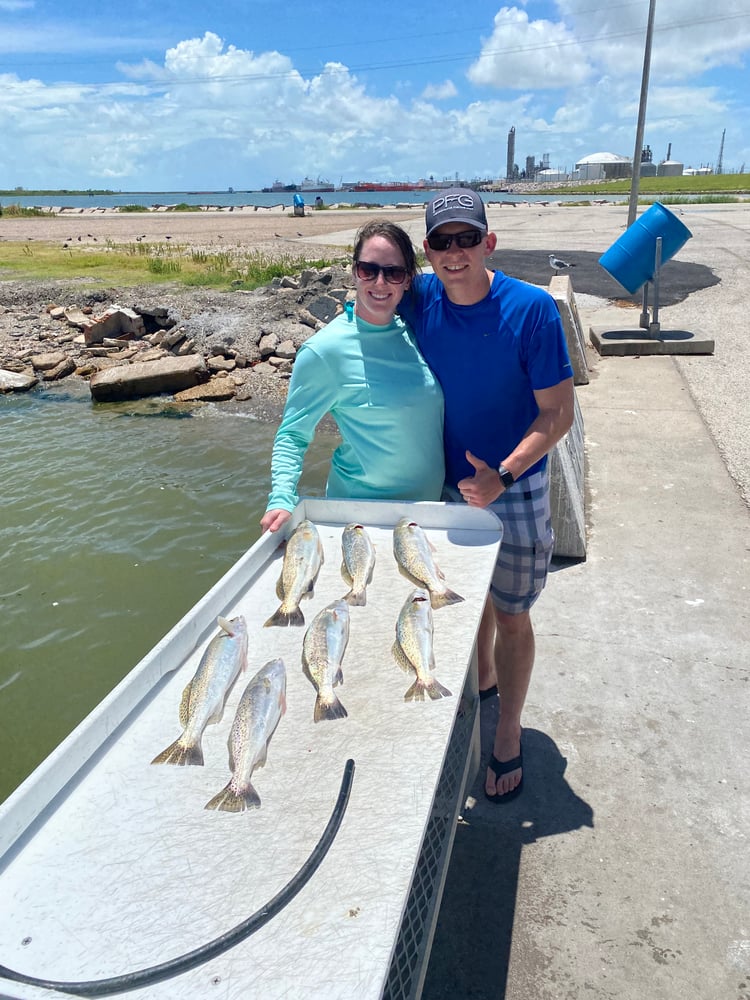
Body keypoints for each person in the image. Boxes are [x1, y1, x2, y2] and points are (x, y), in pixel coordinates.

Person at [399, 188, 574, 803]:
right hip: (445, 487)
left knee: (510, 613)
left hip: (516, 490)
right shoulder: (418, 298)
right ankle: (483, 687)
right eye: (442, 242)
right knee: (463, 608)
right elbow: (365, 306)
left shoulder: (530, 310)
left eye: (466, 239)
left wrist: (503, 472)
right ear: (427, 252)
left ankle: (507, 724)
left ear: (488, 243)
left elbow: (558, 414)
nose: (455, 253)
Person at [261, 219, 445, 533]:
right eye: (368, 270)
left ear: (407, 280)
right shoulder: (324, 351)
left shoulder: (414, 332)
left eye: (394, 272)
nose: (380, 282)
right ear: (353, 272)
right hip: (360, 521)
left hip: (426, 515)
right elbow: (293, 434)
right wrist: (281, 498)